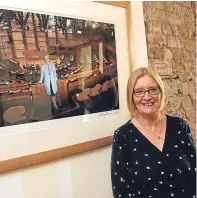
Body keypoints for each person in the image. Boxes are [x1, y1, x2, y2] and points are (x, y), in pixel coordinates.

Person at [111, 67, 196, 198]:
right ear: (131, 96)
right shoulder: (123, 136)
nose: (147, 97)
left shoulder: (179, 126)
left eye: (153, 90)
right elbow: (121, 191)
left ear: (161, 92)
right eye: (139, 91)